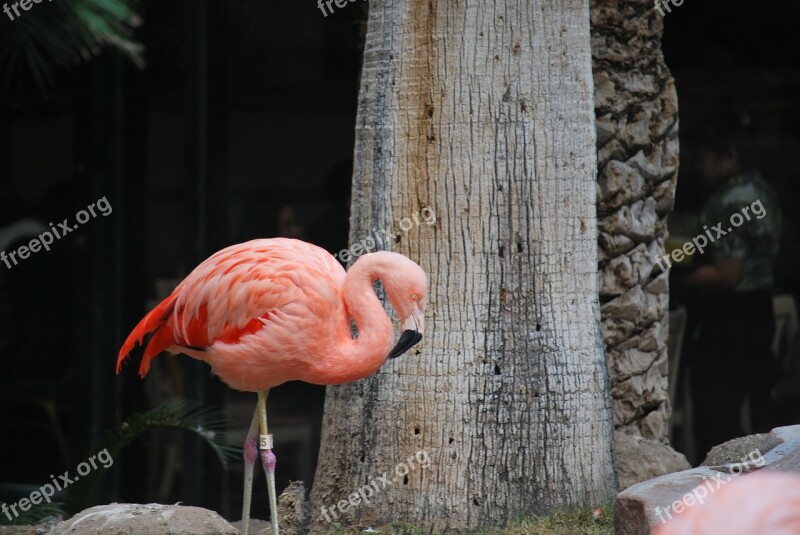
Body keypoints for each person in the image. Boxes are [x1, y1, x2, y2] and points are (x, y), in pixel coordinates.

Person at [684, 113, 782, 460]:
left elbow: (727, 273)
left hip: (728, 319)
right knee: (755, 411)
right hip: (759, 309)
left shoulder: (729, 201)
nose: (698, 166)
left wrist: (676, 277)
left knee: (719, 418)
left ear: (729, 157)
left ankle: (720, 493)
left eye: (705, 157)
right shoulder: (761, 190)